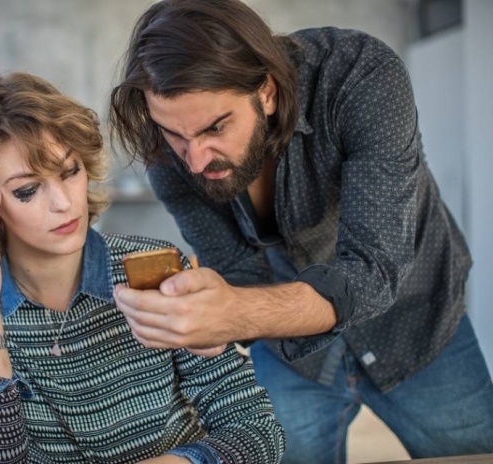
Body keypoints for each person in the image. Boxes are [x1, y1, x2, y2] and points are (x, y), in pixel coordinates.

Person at [108, 1, 493, 463]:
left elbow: (373, 269)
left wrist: (237, 313)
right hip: (293, 355)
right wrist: (208, 318)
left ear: (266, 92)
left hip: (417, 324)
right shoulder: (169, 156)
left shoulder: (359, 75)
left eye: (216, 127)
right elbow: (237, 270)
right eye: (175, 134)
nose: (194, 160)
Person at [0, 71, 285, 464]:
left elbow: (257, 431)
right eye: (28, 190)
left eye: (70, 171)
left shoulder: (153, 269)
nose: (63, 203)